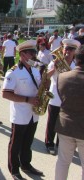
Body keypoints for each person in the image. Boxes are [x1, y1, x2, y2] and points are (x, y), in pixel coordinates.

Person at [2, 40, 44, 180]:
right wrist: (27, 100)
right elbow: (5, 94)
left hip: (34, 113)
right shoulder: (13, 72)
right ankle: (14, 170)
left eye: (34, 52)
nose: (34, 55)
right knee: (16, 143)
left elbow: (44, 73)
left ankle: (26, 164)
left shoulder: (35, 66)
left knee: (28, 141)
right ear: (22, 54)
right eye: (31, 52)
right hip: (20, 113)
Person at [45, 39, 80, 155]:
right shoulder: (56, 61)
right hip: (55, 98)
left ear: (75, 52)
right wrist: (54, 68)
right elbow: (46, 76)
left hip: (67, 100)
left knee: (64, 124)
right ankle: (49, 143)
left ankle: (60, 144)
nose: (67, 52)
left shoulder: (76, 65)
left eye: (71, 49)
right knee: (52, 123)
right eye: (66, 49)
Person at [55, 45, 84, 180]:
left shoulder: (62, 76)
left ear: (76, 59)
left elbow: (62, 97)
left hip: (65, 125)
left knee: (63, 162)